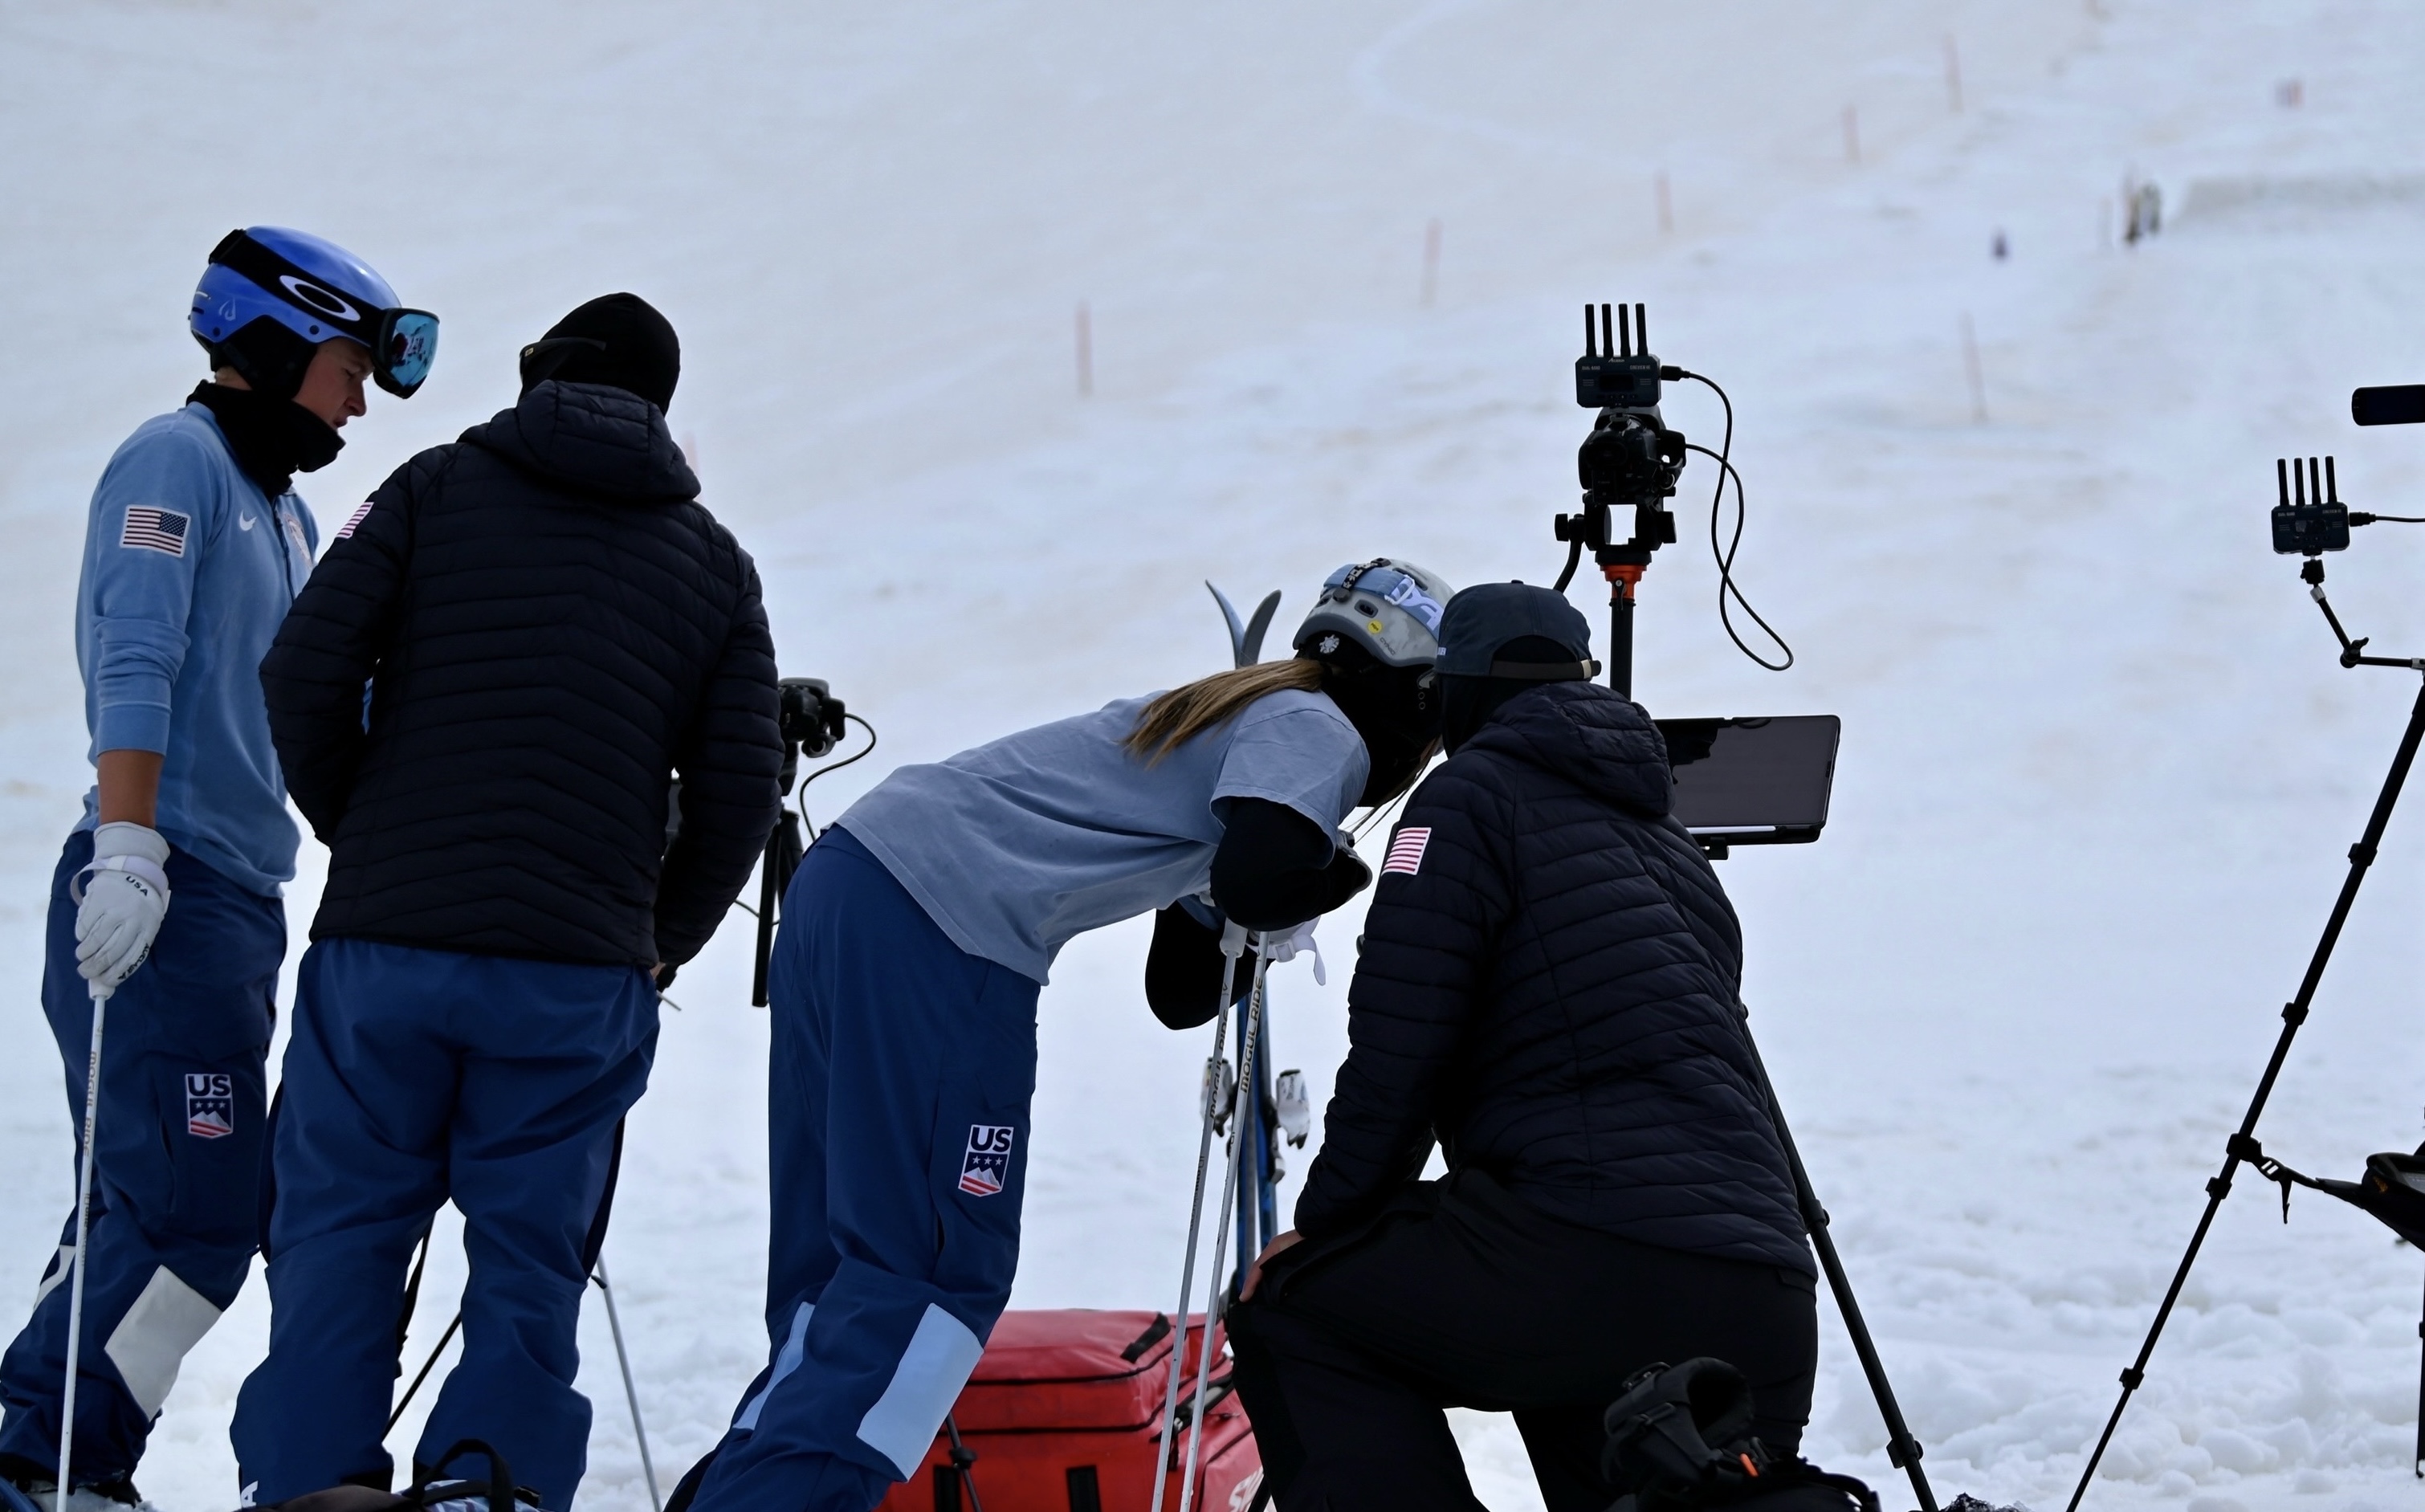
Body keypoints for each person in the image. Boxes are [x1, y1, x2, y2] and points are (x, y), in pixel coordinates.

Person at [670, 560, 1455, 1512]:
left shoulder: (1230, 718)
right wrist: (1333, 874)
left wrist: (1273, 900)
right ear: (1413, 691)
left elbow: (1180, 986)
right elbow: (1261, 876)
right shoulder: (1313, 725)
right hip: (945, 931)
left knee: (837, 1275)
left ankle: (741, 1490)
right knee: (929, 1280)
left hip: (857, 880)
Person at [230, 293, 783, 1511]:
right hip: (577, 973)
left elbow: (303, 666)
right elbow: (745, 786)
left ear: (541, 373)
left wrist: (363, 829)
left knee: (338, 1231)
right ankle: (489, 1480)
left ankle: (310, 1480)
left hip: (387, 947)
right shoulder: (714, 563)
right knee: (531, 1251)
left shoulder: (430, 489)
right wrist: (655, 941)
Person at [0, 227, 434, 1505]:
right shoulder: (174, 459)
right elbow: (134, 653)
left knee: (150, 1204)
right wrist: (129, 844)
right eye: (350, 364)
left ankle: (55, 1451)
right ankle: (42, 1455)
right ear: (278, 338)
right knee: (192, 1209)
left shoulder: (288, 511)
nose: (359, 397)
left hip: (239, 903)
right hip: (159, 888)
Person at [1226, 582, 1820, 1512]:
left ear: (1454, 691)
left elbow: (1400, 1041)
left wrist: (1328, 1224)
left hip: (1586, 1253)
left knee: (1294, 1308)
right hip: (1765, 1293)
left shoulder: (1460, 798)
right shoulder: (1670, 837)